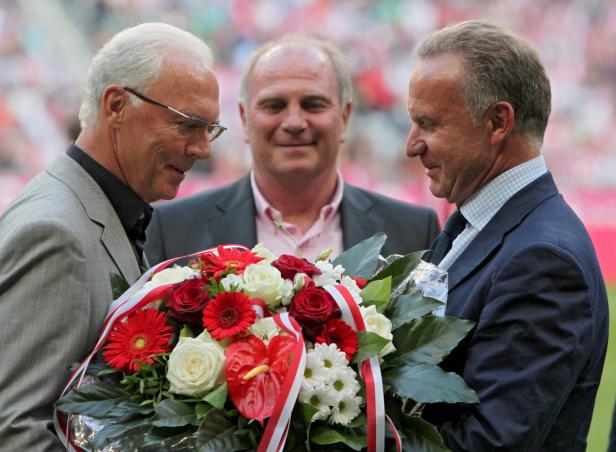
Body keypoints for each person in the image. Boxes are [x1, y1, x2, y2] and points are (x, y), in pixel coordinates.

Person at [0, 23, 224, 450]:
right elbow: (14, 430)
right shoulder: (55, 232)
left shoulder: (97, 209)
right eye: (188, 124)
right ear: (117, 105)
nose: (203, 149)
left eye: (211, 129)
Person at [405, 21, 609, 451]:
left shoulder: (542, 259)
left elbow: (490, 443)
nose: (411, 145)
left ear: (498, 122)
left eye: (429, 123)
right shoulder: (477, 223)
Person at [145, 34, 440, 264]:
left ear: (345, 117)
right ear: (245, 119)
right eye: (274, 105)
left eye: (313, 105)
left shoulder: (413, 231)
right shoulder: (173, 230)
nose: (295, 122)